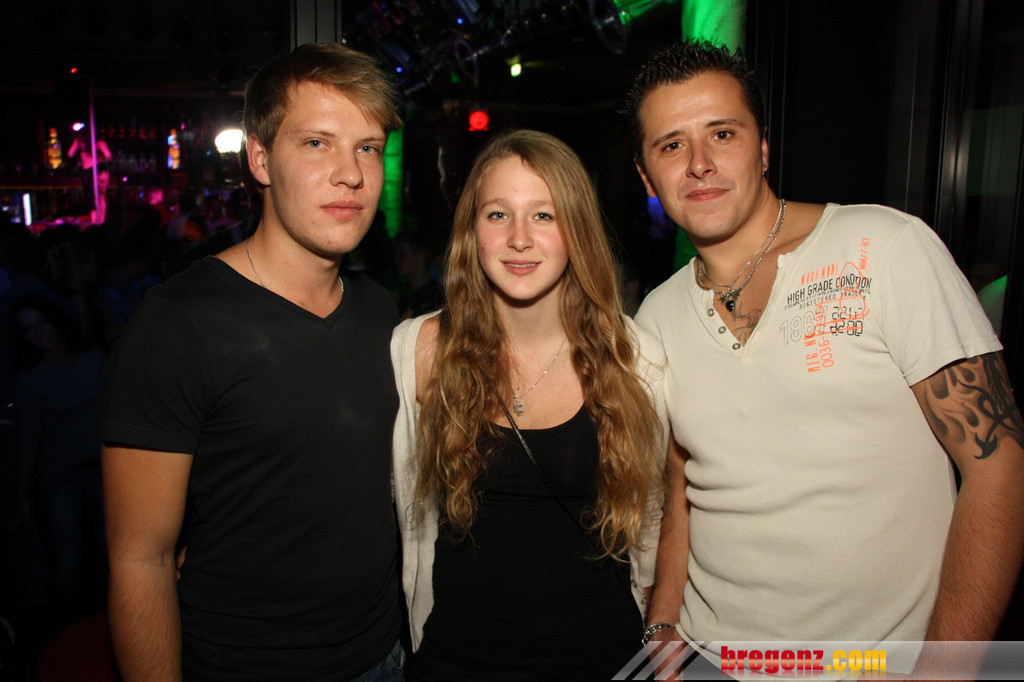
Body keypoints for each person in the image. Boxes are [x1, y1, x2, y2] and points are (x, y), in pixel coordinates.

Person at [623, 40, 1024, 677]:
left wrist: (945, 669)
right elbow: (680, 482)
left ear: (762, 149)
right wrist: (662, 622)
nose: (699, 163)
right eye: (671, 145)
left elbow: (998, 467)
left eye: (722, 133)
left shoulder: (886, 248)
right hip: (709, 659)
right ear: (647, 177)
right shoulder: (656, 316)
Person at [101, 43, 406, 680]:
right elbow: (141, 559)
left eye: (368, 147)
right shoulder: (178, 324)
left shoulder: (386, 314)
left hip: (384, 657)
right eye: (318, 143)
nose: (351, 174)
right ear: (260, 159)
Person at [391, 129, 669, 680]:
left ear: (577, 230)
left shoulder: (634, 358)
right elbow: (405, 512)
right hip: (456, 659)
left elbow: (657, 510)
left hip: (601, 659)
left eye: (544, 215)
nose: (519, 238)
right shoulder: (419, 349)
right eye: (498, 214)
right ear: (472, 230)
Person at [9, 294, 106, 614]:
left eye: (41, 323)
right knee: (67, 561)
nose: (38, 332)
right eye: (28, 329)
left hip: (105, 467)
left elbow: (119, 405)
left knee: (115, 551)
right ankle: (66, 627)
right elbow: (29, 437)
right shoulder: (31, 378)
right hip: (61, 476)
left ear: (55, 321)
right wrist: (22, 494)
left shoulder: (90, 356)